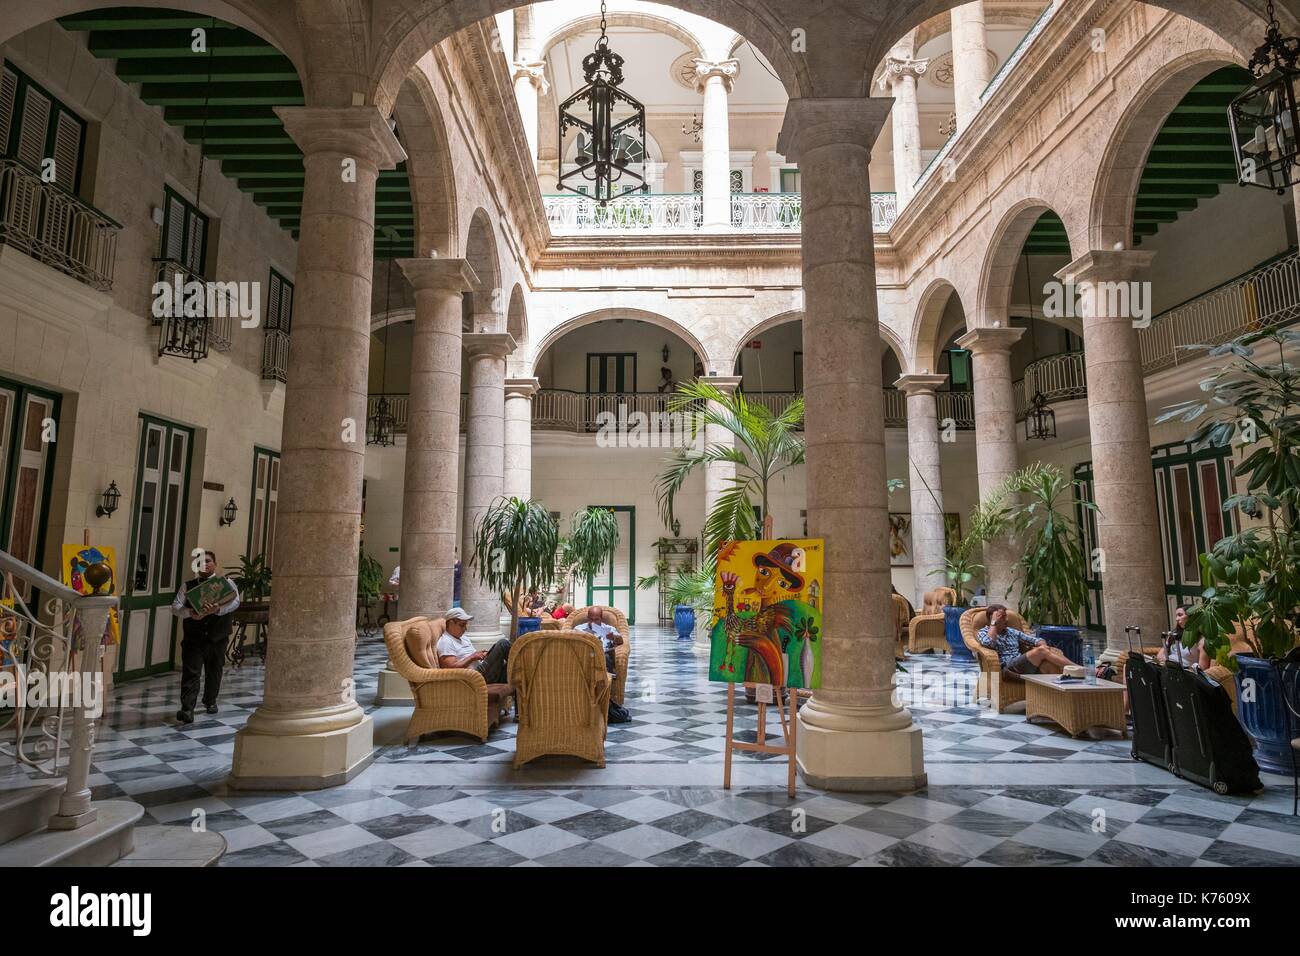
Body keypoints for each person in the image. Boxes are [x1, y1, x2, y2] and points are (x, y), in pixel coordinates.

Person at [171, 550, 240, 724]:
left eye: (208, 561)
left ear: (215, 564)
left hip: (218, 635)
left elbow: (235, 602)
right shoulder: (188, 585)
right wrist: (190, 613)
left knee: (214, 670)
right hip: (194, 637)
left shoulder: (227, 583)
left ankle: (210, 701)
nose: (204, 564)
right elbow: (175, 607)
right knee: (191, 671)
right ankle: (187, 708)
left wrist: (218, 609)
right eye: (200, 562)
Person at [976, 603, 1071, 676]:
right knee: (1042, 651)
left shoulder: (1011, 631)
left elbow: (1036, 640)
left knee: (1049, 665)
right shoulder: (983, 632)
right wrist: (993, 623)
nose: (1007, 619)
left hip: (1021, 664)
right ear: (991, 618)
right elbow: (989, 643)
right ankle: (1077, 668)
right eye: (1002, 617)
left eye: (1006, 616)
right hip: (1007, 668)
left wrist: (1044, 646)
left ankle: (1057, 697)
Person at [435, 607, 512, 684]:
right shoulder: (446, 641)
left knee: (515, 669)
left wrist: (483, 655)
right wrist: (473, 657)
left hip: (482, 669)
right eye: (462, 625)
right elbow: (450, 668)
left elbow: (473, 656)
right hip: (475, 677)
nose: (465, 628)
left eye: (465, 625)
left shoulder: (463, 638)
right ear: (451, 623)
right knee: (502, 644)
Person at [573, 605, 624, 677]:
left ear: (601, 619)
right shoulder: (578, 629)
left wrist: (613, 637)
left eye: (596, 619)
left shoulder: (608, 629)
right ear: (588, 618)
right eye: (591, 619)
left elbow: (620, 641)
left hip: (603, 656)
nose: (593, 622)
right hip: (585, 656)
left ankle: (607, 676)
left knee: (605, 656)